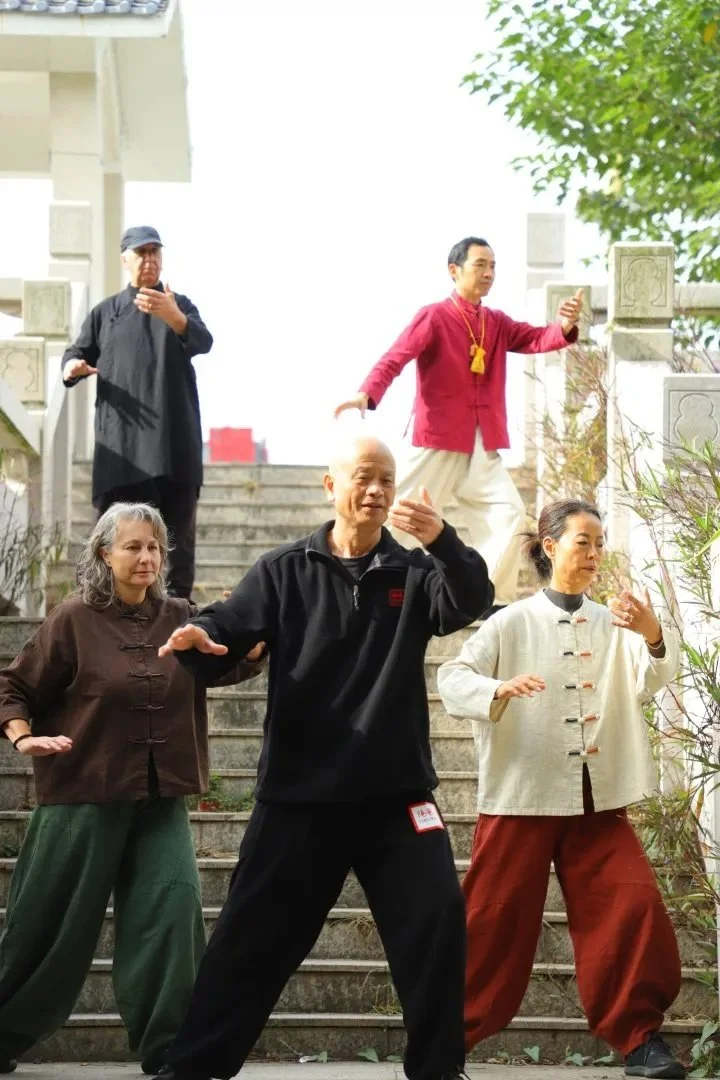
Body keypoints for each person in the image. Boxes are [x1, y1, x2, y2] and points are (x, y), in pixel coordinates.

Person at [151, 435, 493, 1080]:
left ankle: (439, 1071)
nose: (376, 491)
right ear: (330, 486)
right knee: (249, 942)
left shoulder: (416, 574)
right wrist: (200, 639)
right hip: (300, 799)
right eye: (363, 477)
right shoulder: (285, 569)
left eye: (386, 480)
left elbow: (471, 597)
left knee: (439, 919)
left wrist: (444, 540)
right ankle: (193, 1069)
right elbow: (228, 627)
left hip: (397, 801)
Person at [0, 503, 265, 1077]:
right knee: (47, 926)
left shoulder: (180, 615)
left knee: (172, 912)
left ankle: (171, 1048)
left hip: (159, 797)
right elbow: (14, 685)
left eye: (155, 548)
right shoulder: (72, 619)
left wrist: (260, 639)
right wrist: (23, 740)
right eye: (132, 547)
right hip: (82, 797)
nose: (146, 558)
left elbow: (223, 662)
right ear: (104, 554)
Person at [437, 499, 686, 1079]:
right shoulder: (510, 622)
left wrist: (651, 634)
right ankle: (445, 1038)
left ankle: (640, 1039)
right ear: (550, 546)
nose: (595, 554)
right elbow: (453, 677)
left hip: (597, 799)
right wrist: (498, 689)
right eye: (583, 541)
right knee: (492, 919)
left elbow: (650, 679)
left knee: (633, 903)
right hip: (521, 793)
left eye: (600, 543)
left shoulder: (612, 622)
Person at [334, 236, 584, 614]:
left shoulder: (495, 322)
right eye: (480, 265)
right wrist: (366, 394)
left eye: (493, 266)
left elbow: (536, 338)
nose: (488, 273)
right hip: (437, 436)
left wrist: (563, 326)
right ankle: (349, 577)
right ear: (454, 271)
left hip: (483, 443)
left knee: (509, 514)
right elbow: (397, 356)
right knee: (392, 511)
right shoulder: (434, 315)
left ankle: (484, 595)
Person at [61, 225, 213, 599]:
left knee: (176, 541)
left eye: (155, 252)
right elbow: (75, 353)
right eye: (141, 253)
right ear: (125, 259)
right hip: (122, 447)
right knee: (111, 538)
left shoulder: (179, 304)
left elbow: (203, 340)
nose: (149, 260)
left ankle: (177, 613)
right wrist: (72, 367)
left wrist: (174, 316)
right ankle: (98, 609)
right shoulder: (106, 312)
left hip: (173, 445)